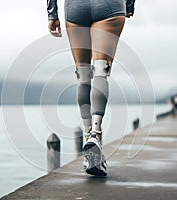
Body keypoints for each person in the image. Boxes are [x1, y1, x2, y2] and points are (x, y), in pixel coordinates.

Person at [47, 0, 136, 176]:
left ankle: (88, 138)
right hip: (109, 6)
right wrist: (130, 5)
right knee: (101, 70)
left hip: (75, 8)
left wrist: (52, 14)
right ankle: (96, 134)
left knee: (83, 74)